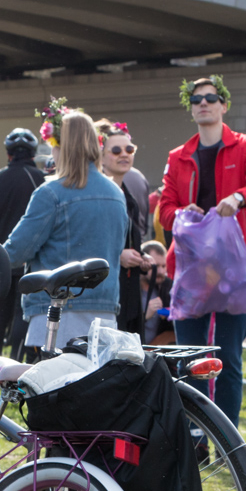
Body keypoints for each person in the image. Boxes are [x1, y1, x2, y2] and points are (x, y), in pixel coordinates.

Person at [157, 75, 246, 424]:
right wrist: (181, 212)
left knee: (229, 356)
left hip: (236, 264)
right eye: (196, 100)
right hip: (191, 266)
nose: (203, 103)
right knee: (187, 356)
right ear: (191, 108)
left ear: (224, 104)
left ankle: (228, 440)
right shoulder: (178, 157)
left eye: (211, 98)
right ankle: (192, 435)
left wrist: (239, 197)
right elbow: (164, 209)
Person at [3, 109, 128, 351]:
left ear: (62, 146)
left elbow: (16, 252)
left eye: (52, 144)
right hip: (105, 308)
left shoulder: (51, 193)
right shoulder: (116, 194)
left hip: (59, 309)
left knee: (53, 384)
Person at [0, 127, 47, 354]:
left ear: (8, 154)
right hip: (33, 258)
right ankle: (17, 362)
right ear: (33, 155)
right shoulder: (42, 180)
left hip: (2, 257)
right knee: (22, 312)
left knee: (2, 313)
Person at [96, 120, 149, 335]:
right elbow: (89, 238)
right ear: (101, 156)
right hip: (103, 290)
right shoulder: (98, 193)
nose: (124, 154)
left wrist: (141, 255)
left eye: (129, 149)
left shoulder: (128, 195)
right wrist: (118, 256)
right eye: (116, 150)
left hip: (128, 289)